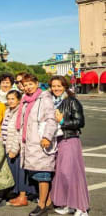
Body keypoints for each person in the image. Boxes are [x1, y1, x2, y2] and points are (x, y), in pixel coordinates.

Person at [15, 74, 56, 216]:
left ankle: (41, 205)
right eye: (25, 85)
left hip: (41, 142)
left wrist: (47, 137)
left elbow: (51, 119)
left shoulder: (44, 98)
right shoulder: (25, 100)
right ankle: (49, 202)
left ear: (37, 83)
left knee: (42, 174)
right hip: (29, 142)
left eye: (30, 84)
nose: (27, 87)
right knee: (36, 173)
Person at [49, 76, 89, 216]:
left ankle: (81, 208)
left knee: (71, 174)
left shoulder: (72, 101)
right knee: (61, 174)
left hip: (70, 139)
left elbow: (80, 122)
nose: (56, 89)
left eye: (59, 86)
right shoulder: (54, 102)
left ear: (65, 87)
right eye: (54, 86)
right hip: (57, 141)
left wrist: (62, 122)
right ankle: (68, 204)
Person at [4, 90, 36, 207]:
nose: (10, 101)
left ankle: (23, 196)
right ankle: (18, 195)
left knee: (21, 172)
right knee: (15, 173)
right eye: (8, 99)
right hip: (8, 146)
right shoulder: (8, 111)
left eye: (13, 99)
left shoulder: (21, 111)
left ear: (18, 100)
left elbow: (19, 132)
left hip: (17, 147)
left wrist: (14, 149)